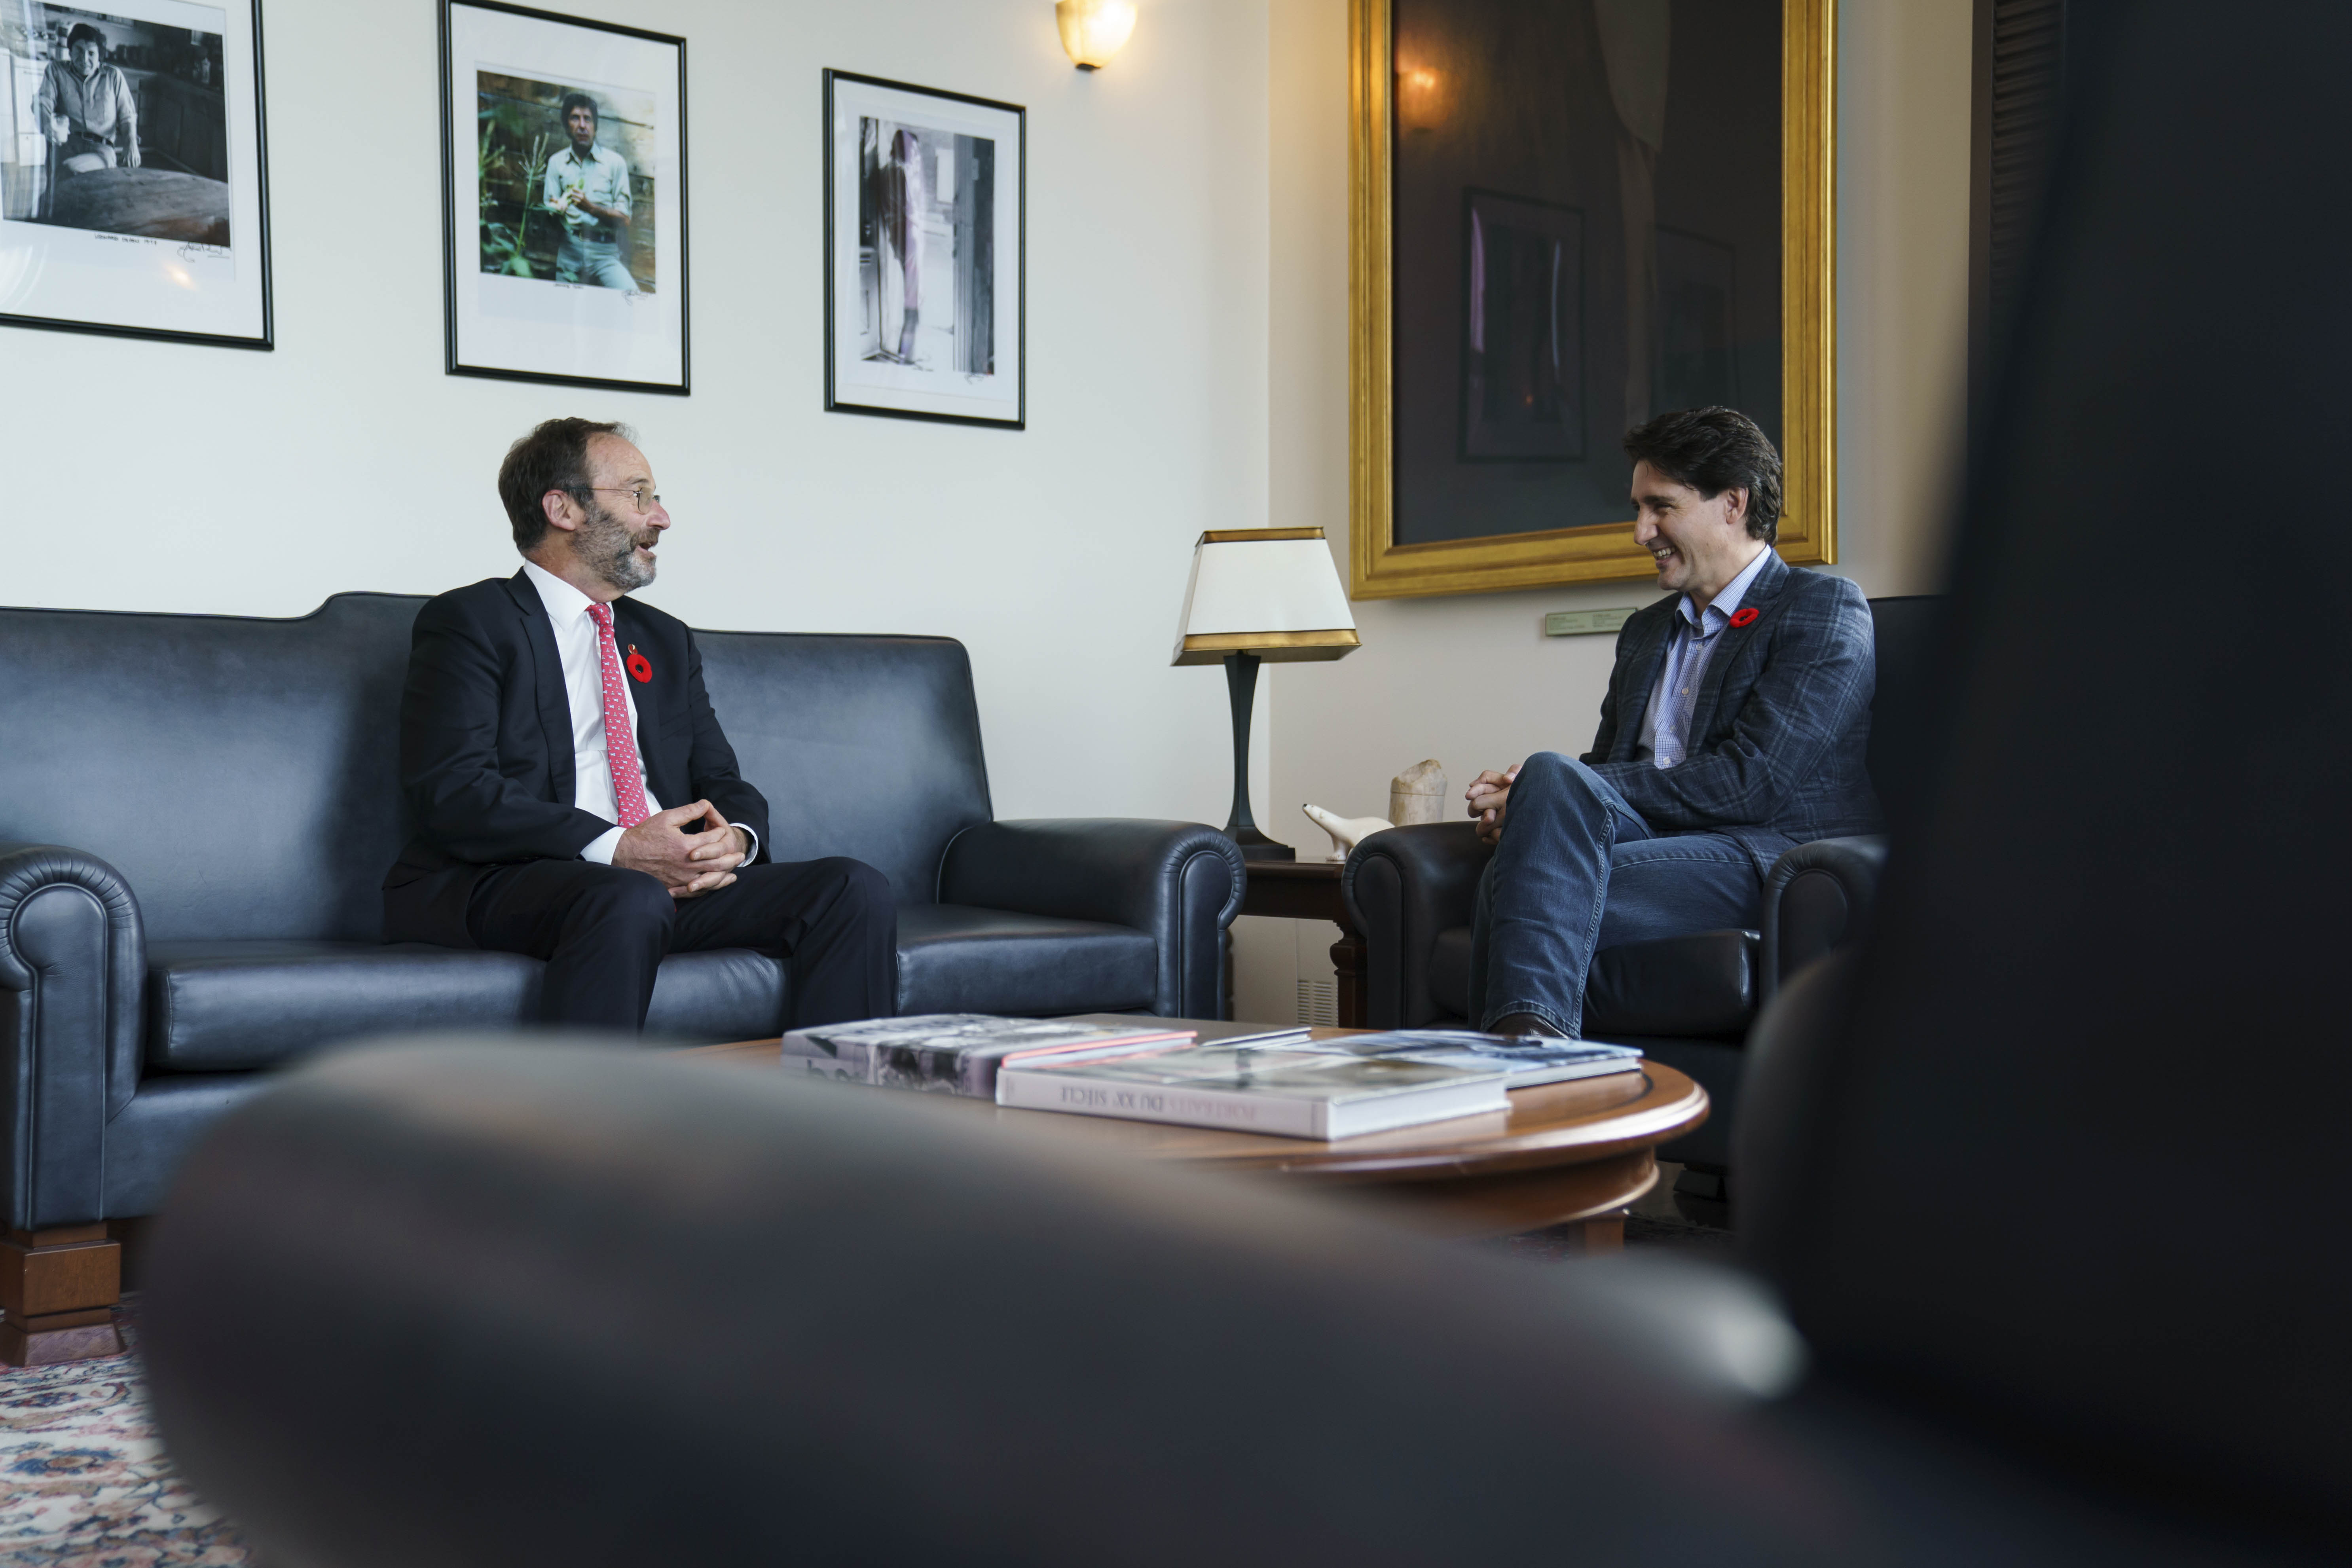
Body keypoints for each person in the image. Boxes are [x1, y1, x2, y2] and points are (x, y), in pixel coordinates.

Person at [383, 418, 897, 1032]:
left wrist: (733, 839)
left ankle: (841, 1095)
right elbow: (454, 791)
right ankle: (584, 1102)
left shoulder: (663, 638)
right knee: (629, 894)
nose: (662, 517)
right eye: (639, 495)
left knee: (852, 887)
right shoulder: (471, 621)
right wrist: (619, 848)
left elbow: (720, 777)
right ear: (563, 508)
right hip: (510, 880)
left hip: (660, 889)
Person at [1462, 406, 1880, 1038]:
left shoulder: (1821, 608)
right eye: (1638, 508)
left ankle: (1513, 1060)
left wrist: (1550, 790)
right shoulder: (1645, 631)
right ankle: (1531, 1052)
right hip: (1654, 842)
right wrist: (1535, 800)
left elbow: (1753, 782)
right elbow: (1604, 772)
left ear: (1733, 503)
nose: (1640, 532)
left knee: (1513, 879)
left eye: (1661, 507)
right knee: (1546, 789)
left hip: (1769, 855)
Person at [542, 92, 636, 290]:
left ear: (596, 127)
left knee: (632, 296)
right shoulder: (556, 163)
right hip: (569, 251)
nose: (582, 126)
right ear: (567, 126)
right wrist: (554, 210)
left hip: (605, 254)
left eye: (588, 119)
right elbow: (548, 214)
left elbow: (625, 219)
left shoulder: (615, 163)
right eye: (575, 118)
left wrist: (590, 208)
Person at [38, 24, 139, 178]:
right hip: (65, 145)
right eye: (79, 50)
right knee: (62, 178)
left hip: (101, 150)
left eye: (91, 53)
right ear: (70, 52)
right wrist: (47, 123)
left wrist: (131, 142)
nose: (85, 59)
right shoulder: (56, 71)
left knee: (73, 171)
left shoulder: (113, 77)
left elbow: (127, 116)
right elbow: (43, 103)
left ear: (100, 56)